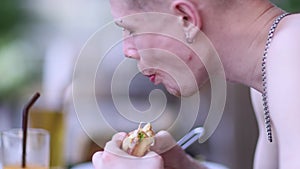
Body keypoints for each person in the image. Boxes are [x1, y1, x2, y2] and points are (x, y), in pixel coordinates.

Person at [92, 0, 300, 168]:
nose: (127, 51)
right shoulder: (272, 68)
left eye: (131, 30)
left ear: (186, 19)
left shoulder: (292, 55)